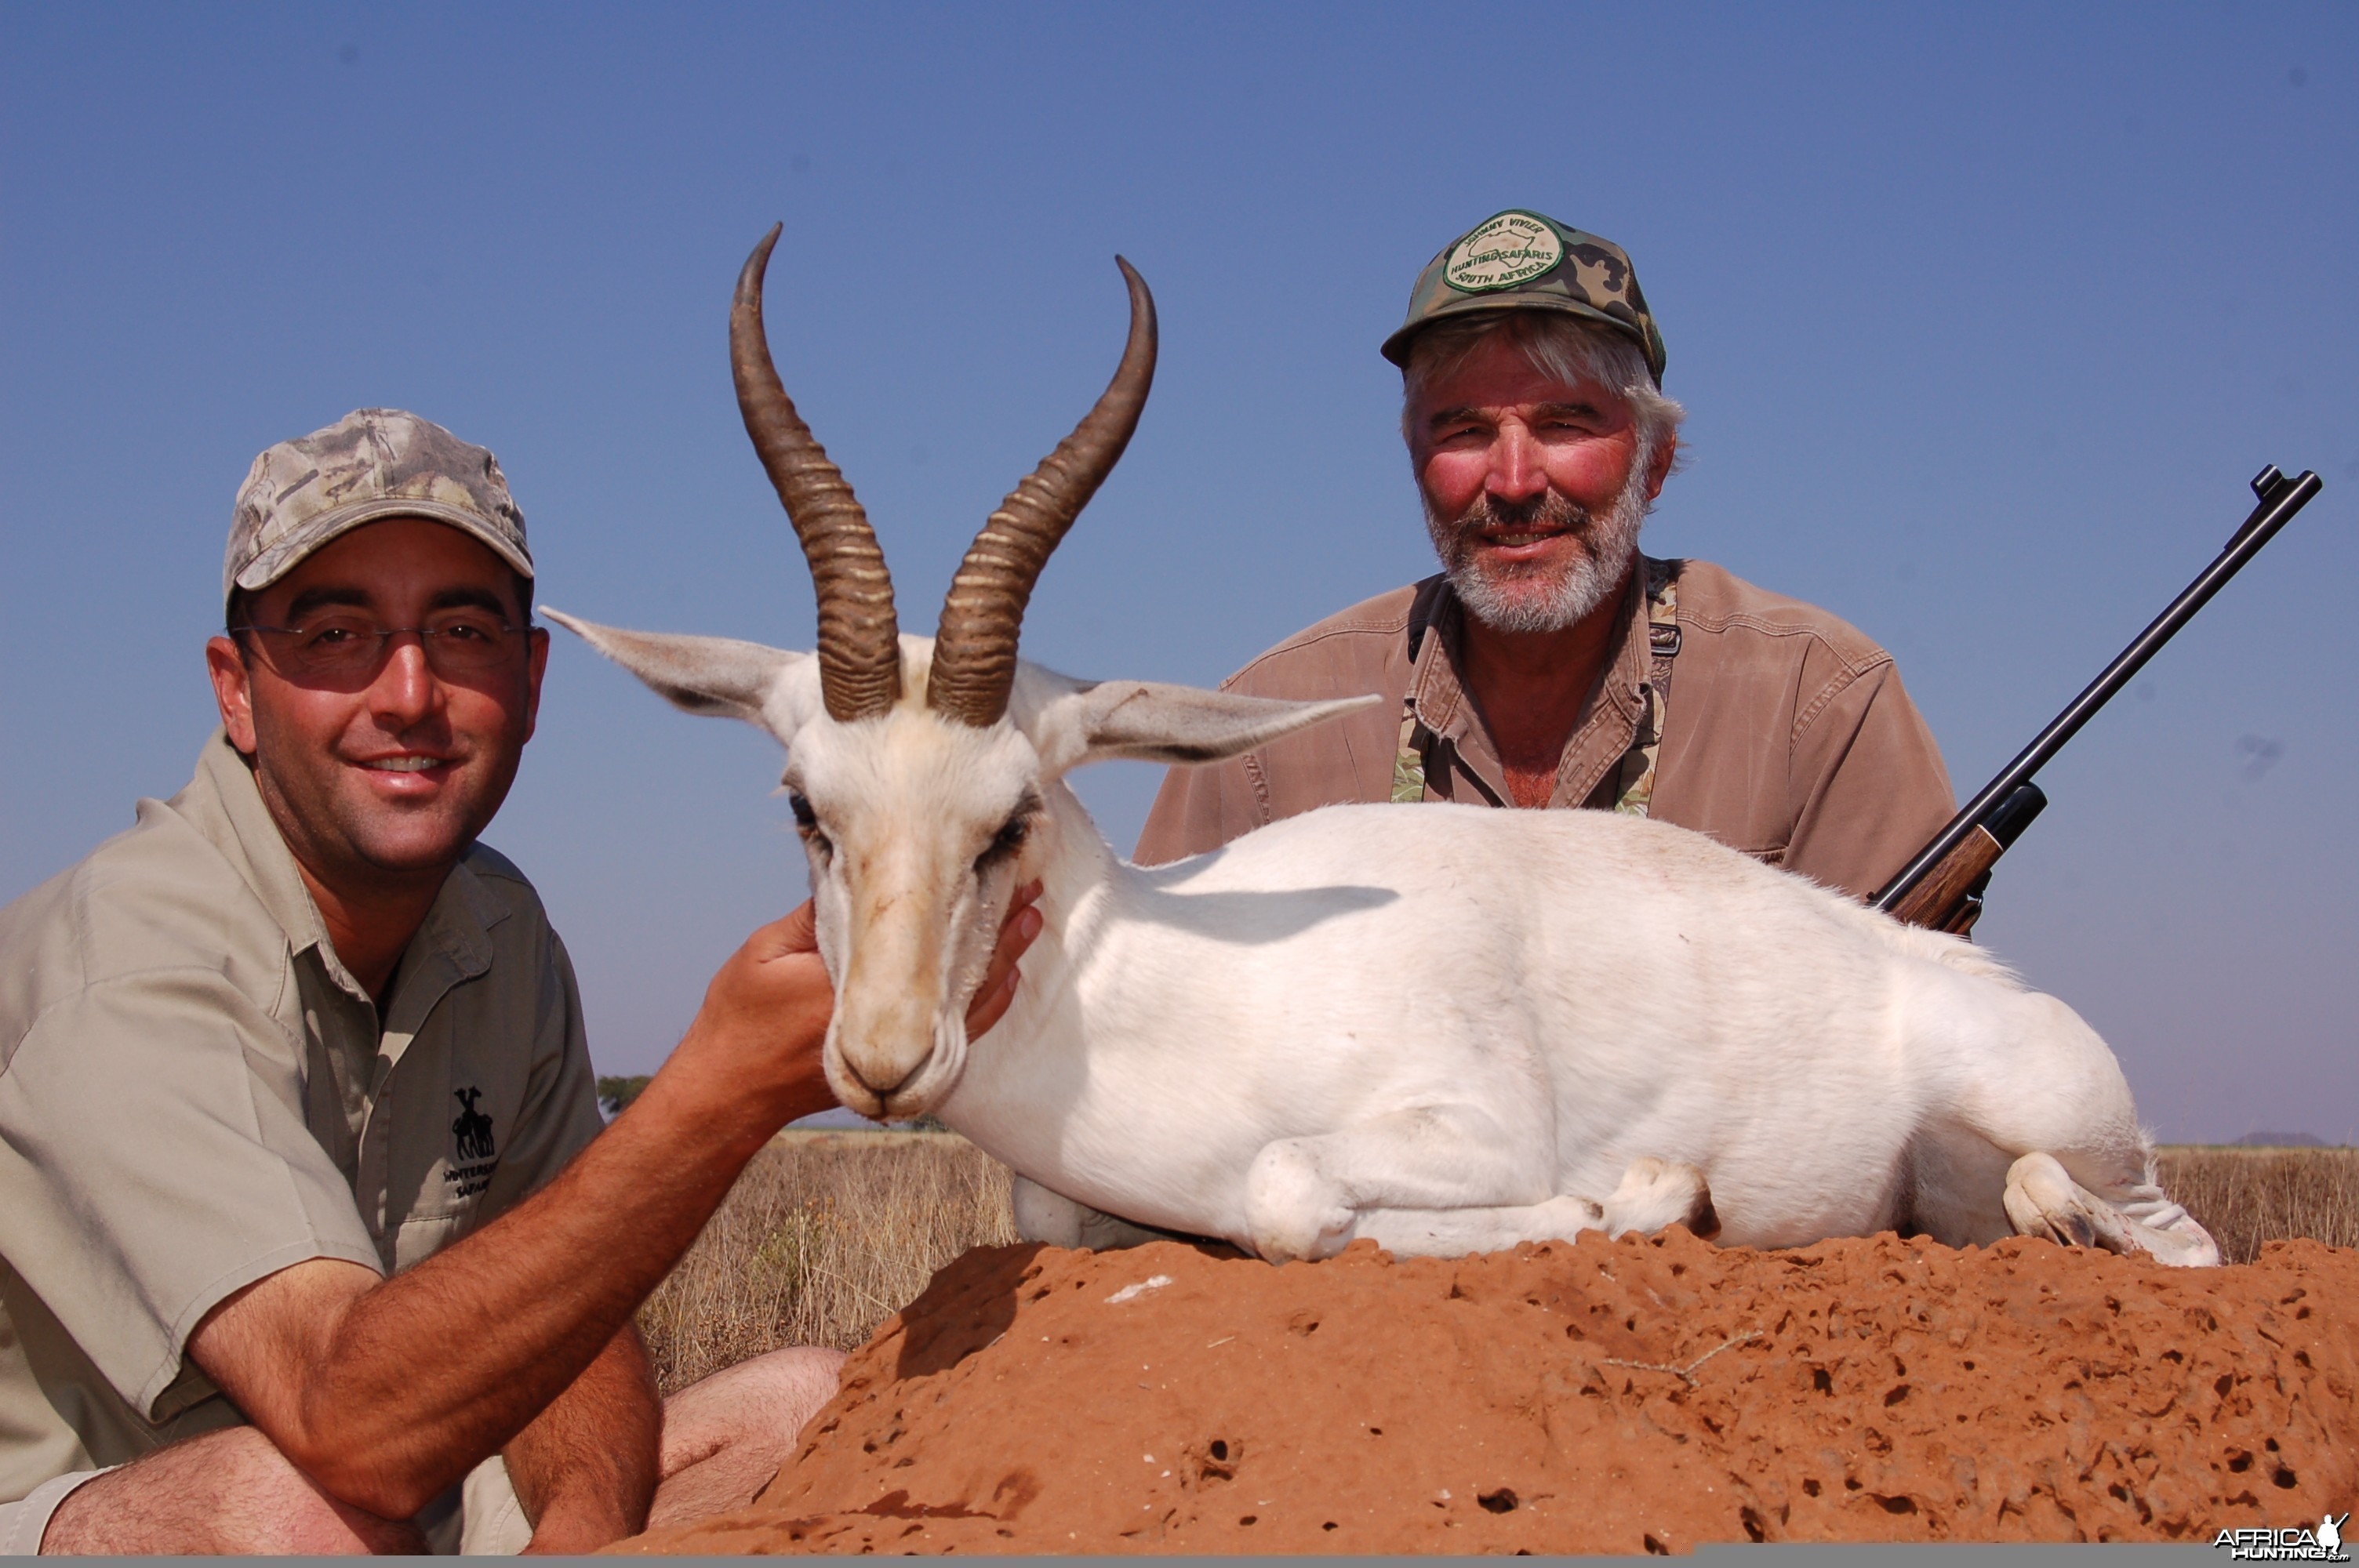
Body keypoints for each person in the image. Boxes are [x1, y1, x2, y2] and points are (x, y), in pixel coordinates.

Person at [0, 410, 1039, 1554]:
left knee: (809, 1407)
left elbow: (569, 1330)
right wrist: (717, 1098)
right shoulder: (130, 955)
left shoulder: (499, 928)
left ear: (532, 680)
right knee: (300, 1513)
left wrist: (585, 1529)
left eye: (459, 629)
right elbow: (351, 1425)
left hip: (409, 1494)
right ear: (235, 688)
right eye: (337, 632)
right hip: (151, 1510)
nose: (408, 692)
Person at [1136, 210, 1956, 899]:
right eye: (1463, 431)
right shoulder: (1265, 732)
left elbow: (1909, 1057)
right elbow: (1154, 1040)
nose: (1514, 480)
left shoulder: (1817, 704)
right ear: (1414, 458)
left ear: (1656, 458)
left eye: (1565, 424)